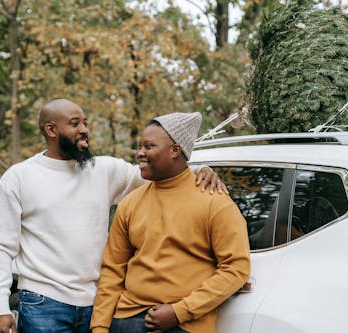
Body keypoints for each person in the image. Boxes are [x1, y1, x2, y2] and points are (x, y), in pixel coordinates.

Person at [0, 99, 226, 333]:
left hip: (96, 303)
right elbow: (1, 247)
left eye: (85, 123)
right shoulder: (19, 177)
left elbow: (163, 173)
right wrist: (0, 308)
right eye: (75, 123)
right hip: (43, 303)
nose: (84, 130)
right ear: (51, 130)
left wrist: (200, 171)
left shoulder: (103, 169)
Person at [90, 112, 251, 333]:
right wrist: (99, 327)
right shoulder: (130, 203)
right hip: (125, 320)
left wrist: (179, 312)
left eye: (149, 146)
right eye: (140, 146)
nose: (140, 153)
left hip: (183, 324)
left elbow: (236, 268)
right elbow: (112, 270)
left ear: (175, 150)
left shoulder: (215, 202)